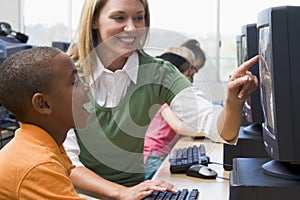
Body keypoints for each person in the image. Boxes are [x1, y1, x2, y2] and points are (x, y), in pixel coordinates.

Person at [63, 0, 259, 199]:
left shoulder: (160, 73)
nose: (132, 28)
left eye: (139, 18)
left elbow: (219, 129)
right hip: (79, 195)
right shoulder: (66, 76)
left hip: (136, 193)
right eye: (119, 17)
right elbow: (67, 165)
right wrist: (121, 193)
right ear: (95, 20)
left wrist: (233, 101)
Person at [0, 46, 90, 199]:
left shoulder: (42, 144)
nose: (86, 87)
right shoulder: (40, 166)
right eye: (74, 82)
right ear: (43, 104)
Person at [144, 47, 206, 179]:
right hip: (153, 157)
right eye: (188, 76)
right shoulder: (163, 99)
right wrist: (208, 131)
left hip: (160, 155)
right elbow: (178, 126)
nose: (190, 81)